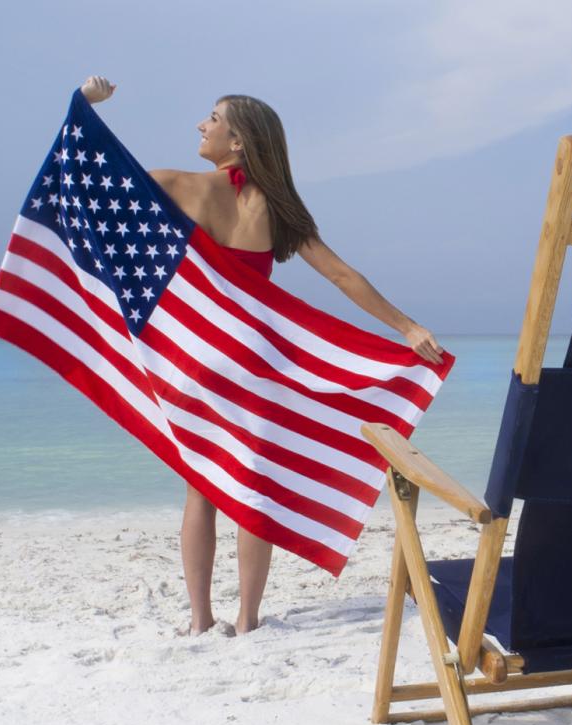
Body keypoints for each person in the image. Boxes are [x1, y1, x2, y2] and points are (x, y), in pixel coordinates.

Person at [79, 76, 445, 637]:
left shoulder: (177, 184)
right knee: (254, 481)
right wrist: (407, 326)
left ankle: (201, 620)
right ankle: (248, 619)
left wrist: (84, 107)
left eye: (213, 119)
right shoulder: (279, 210)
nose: (202, 125)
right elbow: (343, 275)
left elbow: (97, 189)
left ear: (239, 141)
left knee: (200, 483)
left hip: (197, 359)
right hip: (252, 360)